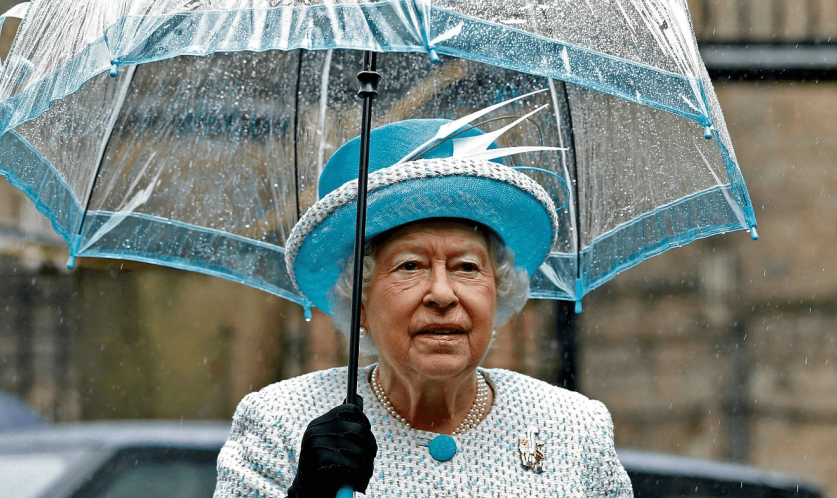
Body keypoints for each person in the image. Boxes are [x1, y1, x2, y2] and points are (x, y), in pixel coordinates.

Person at [214, 119, 633, 497]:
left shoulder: (575, 428)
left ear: (497, 291)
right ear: (359, 299)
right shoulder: (277, 424)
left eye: (467, 267)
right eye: (410, 266)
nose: (442, 294)